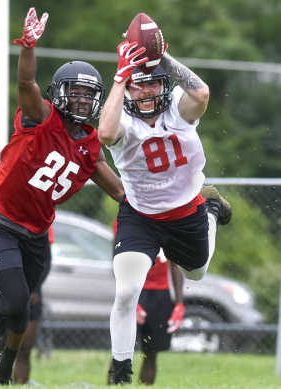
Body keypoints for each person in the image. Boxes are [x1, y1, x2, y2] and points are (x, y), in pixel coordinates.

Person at [0, 7, 125, 385]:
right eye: (73, 93)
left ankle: (6, 356)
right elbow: (26, 82)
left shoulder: (91, 147)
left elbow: (121, 192)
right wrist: (28, 46)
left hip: (37, 236)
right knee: (13, 298)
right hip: (0, 222)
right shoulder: (40, 117)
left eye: (87, 94)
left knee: (22, 309)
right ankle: (3, 366)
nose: (79, 100)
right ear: (60, 94)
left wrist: (164, 207)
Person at [98, 17, 232, 384]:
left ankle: (211, 210)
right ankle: (122, 369)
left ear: (164, 83)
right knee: (126, 290)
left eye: (153, 83)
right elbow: (106, 133)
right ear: (127, 89)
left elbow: (201, 93)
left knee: (197, 273)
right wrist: (121, 76)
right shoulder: (121, 117)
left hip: (186, 210)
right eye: (138, 87)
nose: (146, 92)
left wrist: (164, 58)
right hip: (140, 214)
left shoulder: (177, 107)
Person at [106, 223, 185, 386]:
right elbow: (116, 262)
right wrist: (128, 300)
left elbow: (176, 263)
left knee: (151, 352)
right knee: (120, 352)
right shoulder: (129, 216)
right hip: (134, 288)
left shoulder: (170, 218)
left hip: (160, 295)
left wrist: (179, 303)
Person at [0, 227, 54, 385]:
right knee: (0, 346)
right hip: (6, 286)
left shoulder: (41, 213)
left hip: (33, 290)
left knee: (25, 347)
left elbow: (46, 258)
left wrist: (34, 288)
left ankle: (21, 384)